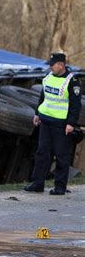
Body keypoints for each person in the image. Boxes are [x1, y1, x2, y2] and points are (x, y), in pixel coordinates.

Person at [24, 53, 82, 195]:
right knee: (42, 153)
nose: (50, 67)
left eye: (53, 64)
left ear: (61, 65)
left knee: (61, 155)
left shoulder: (72, 81)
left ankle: (60, 187)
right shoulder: (48, 77)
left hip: (61, 125)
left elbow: (75, 105)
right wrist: (37, 113)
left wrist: (71, 123)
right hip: (45, 121)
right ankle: (38, 183)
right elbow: (43, 97)